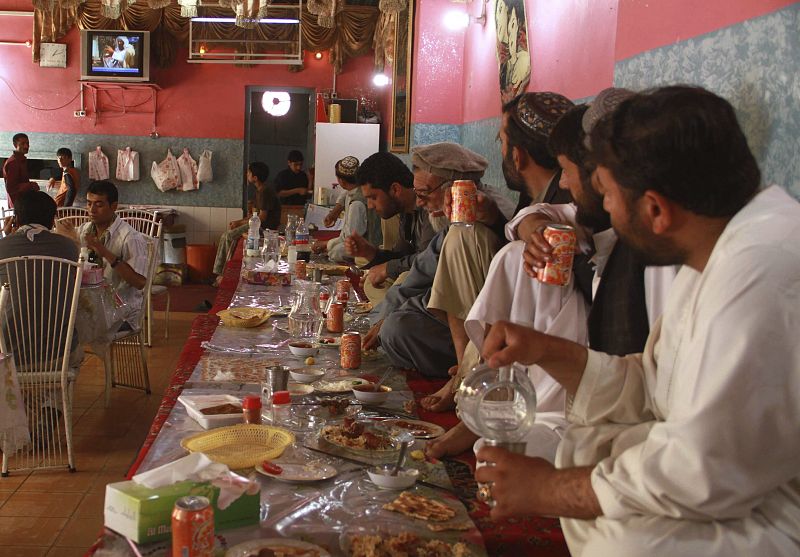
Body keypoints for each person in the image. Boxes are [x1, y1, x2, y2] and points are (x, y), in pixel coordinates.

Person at [475, 86, 800, 556]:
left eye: (605, 194)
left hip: (776, 511)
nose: (601, 208)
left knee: (629, 541)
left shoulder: (760, 274)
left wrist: (547, 489)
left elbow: (703, 469)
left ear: (655, 210)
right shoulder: (715, 243)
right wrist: (545, 350)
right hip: (729, 477)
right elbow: (655, 385)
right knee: (583, 448)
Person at [427, 93, 674, 461]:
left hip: (635, 416)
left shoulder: (666, 251)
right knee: (518, 257)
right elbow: (544, 213)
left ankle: (515, 405)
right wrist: (533, 227)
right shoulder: (607, 216)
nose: (569, 185)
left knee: (518, 451)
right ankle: (494, 391)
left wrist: (556, 490)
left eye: (573, 172)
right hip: (604, 380)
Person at [420, 91, 574, 412]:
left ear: (517, 156)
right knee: (401, 329)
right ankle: (467, 366)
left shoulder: (566, 198)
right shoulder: (531, 198)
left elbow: (514, 260)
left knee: (462, 237)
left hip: (552, 336)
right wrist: (492, 217)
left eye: (501, 141)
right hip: (498, 315)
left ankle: (470, 373)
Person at [364, 142, 511, 378]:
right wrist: (384, 315)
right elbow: (423, 269)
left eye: (424, 194)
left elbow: (464, 292)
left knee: (395, 329)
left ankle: (467, 372)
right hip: (454, 314)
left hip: (491, 324)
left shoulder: (484, 214)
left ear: (453, 187)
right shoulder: (449, 218)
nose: (420, 202)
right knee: (393, 324)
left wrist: (392, 316)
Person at [345, 152, 435, 288]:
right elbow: (401, 257)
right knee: (372, 283)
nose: (369, 206)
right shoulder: (406, 213)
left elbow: (427, 261)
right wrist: (370, 252)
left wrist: (387, 269)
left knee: (398, 280)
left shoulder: (430, 209)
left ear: (395, 189)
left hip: (431, 290)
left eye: (373, 197)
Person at [78, 180, 149, 330]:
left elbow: (140, 282)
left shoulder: (130, 237)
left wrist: (105, 253)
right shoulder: (84, 230)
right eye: (89, 203)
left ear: (114, 206)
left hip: (121, 312)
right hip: (93, 306)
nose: (92, 210)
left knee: (69, 328)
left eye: (99, 204)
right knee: (57, 320)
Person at [213, 161, 279, 285]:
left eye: (249, 172)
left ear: (255, 177)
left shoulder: (265, 191)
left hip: (264, 229)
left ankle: (223, 274)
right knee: (228, 235)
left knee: (228, 236)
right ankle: (220, 273)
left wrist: (242, 224)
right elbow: (253, 215)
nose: (246, 174)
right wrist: (238, 222)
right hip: (257, 225)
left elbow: (262, 218)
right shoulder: (259, 190)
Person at [313, 156, 381, 262]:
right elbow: (344, 194)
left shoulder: (357, 204)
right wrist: (335, 211)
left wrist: (326, 244)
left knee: (336, 252)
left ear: (341, 181)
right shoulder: (354, 190)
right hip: (357, 244)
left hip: (368, 247)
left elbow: (351, 239)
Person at [3, 133, 38, 209]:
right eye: (22, 144)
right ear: (15, 145)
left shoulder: (21, 160)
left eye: (27, 143)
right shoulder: (13, 162)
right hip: (18, 204)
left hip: (23, 202)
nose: (26, 146)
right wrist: (30, 185)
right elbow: (11, 188)